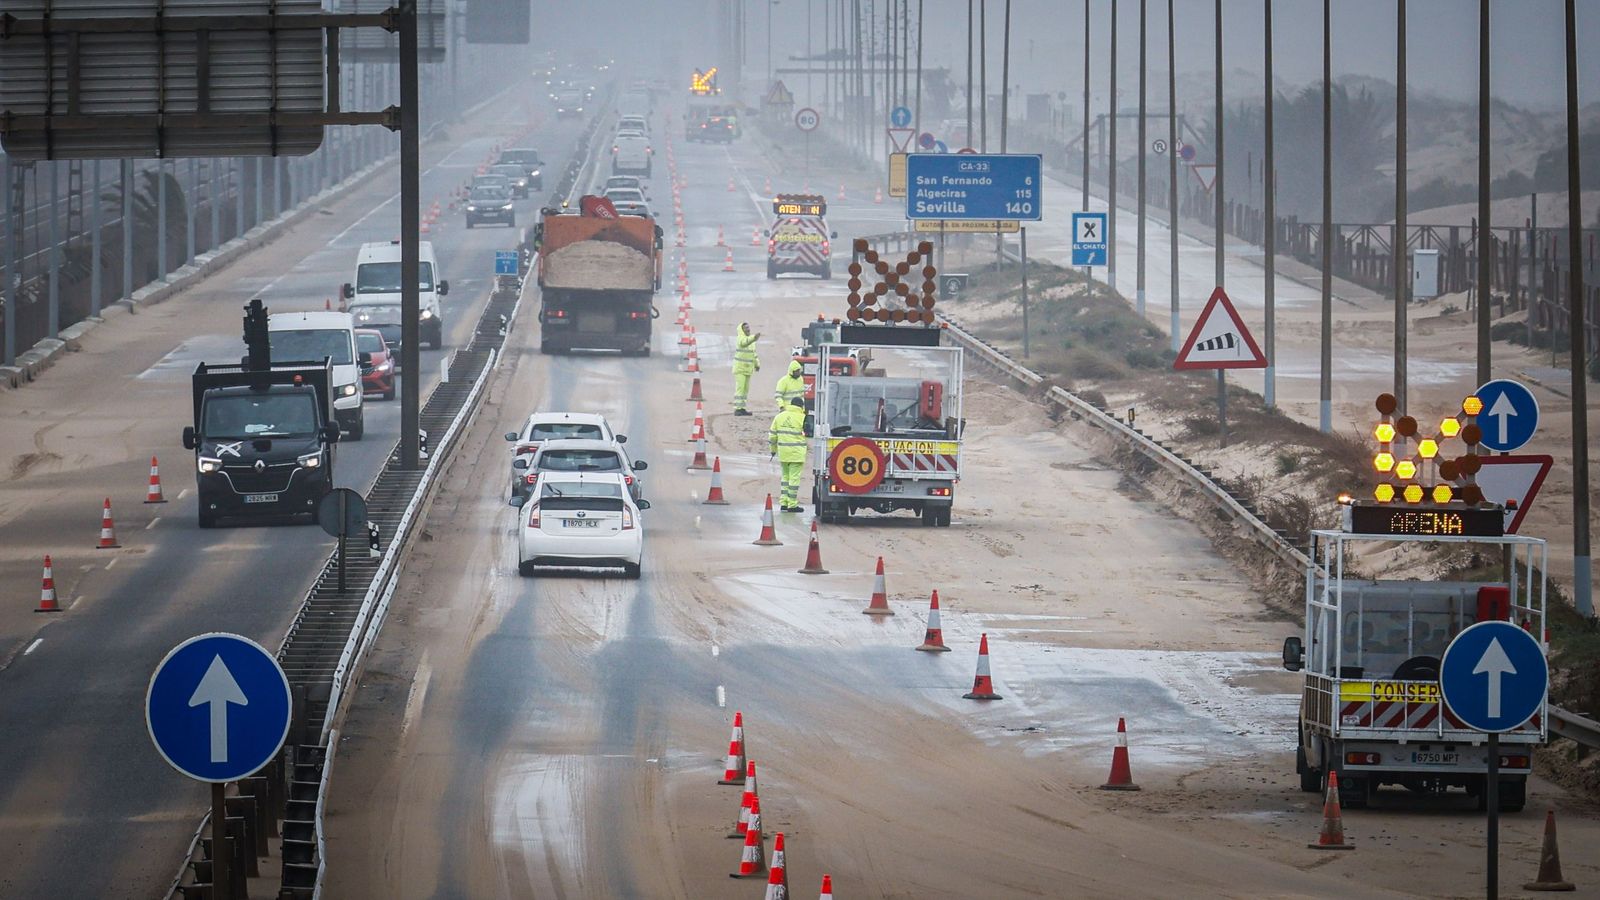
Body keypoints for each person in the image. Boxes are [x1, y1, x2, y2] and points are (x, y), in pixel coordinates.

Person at [768, 397, 809, 512]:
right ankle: (792, 504)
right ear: (801, 406)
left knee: (785, 478)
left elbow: (772, 436)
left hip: (783, 452)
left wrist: (773, 450)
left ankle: (784, 503)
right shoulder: (803, 417)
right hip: (797, 453)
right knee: (794, 479)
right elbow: (809, 433)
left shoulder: (779, 417)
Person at [731, 322, 760, 416]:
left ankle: (742, 408)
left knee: (745, 390)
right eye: (745, 328)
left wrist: (757, 364)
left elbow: (754, 354)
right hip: (740, 369)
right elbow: (744, 343)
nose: (748, 329)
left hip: (748, 369)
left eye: (748, 327)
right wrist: (753, 338)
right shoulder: (740, 338)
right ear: (742, 330)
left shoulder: (751, 342)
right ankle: (737, 409)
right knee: (740, 389)